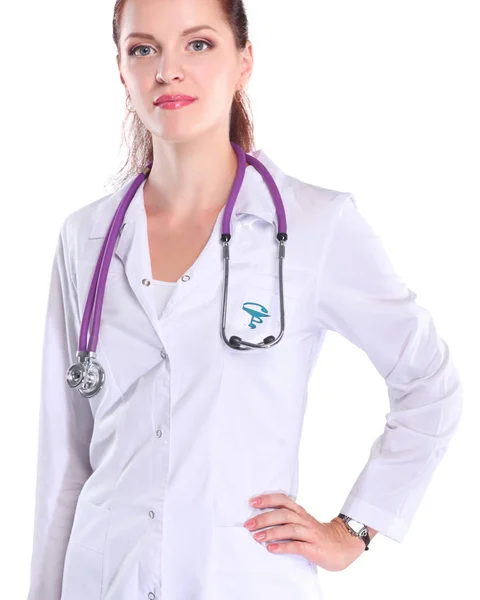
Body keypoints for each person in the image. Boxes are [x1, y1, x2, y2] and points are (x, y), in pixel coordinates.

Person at [26, 0, 464, 599]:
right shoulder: (87, 240)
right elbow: (65, 465)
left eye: (198, 44)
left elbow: (430, 382)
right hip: (101, 579)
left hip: (241, 579)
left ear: (244, 61)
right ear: (121, 69)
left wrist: (356, 528)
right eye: (143, 48)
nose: (167, 70)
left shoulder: (315, 225)